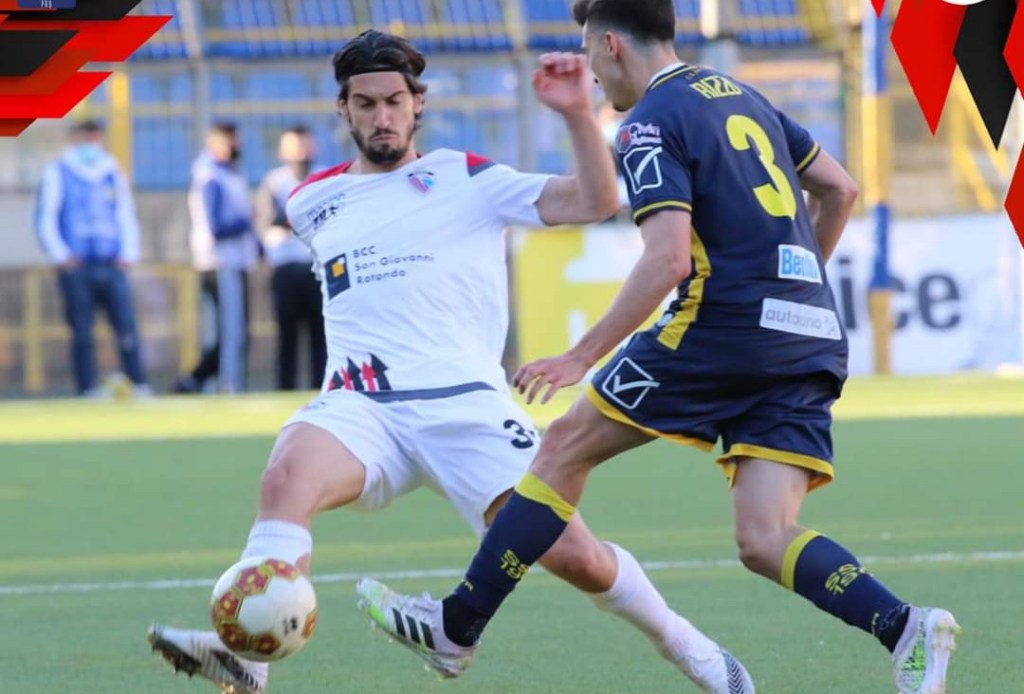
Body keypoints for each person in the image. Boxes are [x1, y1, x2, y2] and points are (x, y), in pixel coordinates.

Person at [359, 3, 960, 694]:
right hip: (809, 335)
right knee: (766, 537)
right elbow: (840, 188)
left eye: (590, 51)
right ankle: (904, 626)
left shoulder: (647, 122)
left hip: (721, 327)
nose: (591, 70)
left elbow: (668, 259)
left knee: (562, 448)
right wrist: (789, 291)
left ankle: (456, 625)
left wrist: (579, 356)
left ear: (612, 44)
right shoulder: (742, 96)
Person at [146, 29, 754, 694]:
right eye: (365, 103)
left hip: (465, 405)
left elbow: (595, 201)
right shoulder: (309, 201)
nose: (382, 117)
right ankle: (248, 658)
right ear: (343, 110)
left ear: (418, 103)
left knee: (573, 556)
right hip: (360, 406)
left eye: (394, 101)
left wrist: (578, 113)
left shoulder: (468, 177)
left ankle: (688, 646)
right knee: (286, 477)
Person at [36, 119, 150, 397]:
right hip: (77, 266)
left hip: (111, 264)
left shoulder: (111, 172)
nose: (91, 144)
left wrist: (128, 253)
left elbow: (126, 215)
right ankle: (87, 388)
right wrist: (61, 256)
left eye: (95, 137)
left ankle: (139, 383)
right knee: (82, 332)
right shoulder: (58, 172)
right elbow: (46, 218)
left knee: (126, 327)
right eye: (86, 138)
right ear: (75, 140)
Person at [174, 122, 258, 395]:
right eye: (230, 141)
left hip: (235, 261)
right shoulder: (211, 177)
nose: (236, 146)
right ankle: (225, 383)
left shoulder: (232, 174)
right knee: (229, 331)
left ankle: (200, 382)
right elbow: (217, 226)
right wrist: (245, 222)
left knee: (232, 330)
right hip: (220, 262)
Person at [255, 126, 327, 391]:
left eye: (305, 145)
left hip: (317, 268)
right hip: (284, 267)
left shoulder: (324, 178)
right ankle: (285, 389)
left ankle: (323, 388)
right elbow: (267, 222)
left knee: (321, 335)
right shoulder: (274, 182)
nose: (301, 152)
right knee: (287, 335)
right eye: (295, 146)